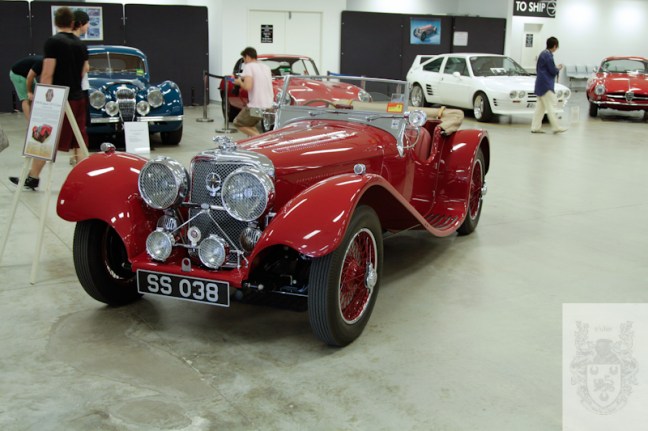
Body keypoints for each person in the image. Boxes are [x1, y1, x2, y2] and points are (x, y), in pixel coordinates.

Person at [9, 6, 89, 190]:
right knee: (78, 139)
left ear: (56, 22)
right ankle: (82, 180)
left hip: (59, 98)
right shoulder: (80, 44)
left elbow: (47, 74)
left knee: (44, 138)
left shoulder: (53, 43)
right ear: (72, 23)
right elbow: (84, 69)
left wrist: (44, 100)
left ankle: (33, 177)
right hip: (78, 98)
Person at [232, 47, 273, 137]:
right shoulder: (265, 67)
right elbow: (252, 77)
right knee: (249, 125)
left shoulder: (249, 66)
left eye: (244, 59)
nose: (244, 61)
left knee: (238, 123)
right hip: (269, 105)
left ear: (247, 56)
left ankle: (261, 139)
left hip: (256, 106)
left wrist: (239, 82)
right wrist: (238, 79)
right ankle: (258, 139)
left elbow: (248, 87)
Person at [531, 36, 566, 134]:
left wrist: (555, 68)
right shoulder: (548, 56)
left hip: (540, 83)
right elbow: (552, 70)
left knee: (540, 108)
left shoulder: (543, 53)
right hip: (546, 85)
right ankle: (556, 127)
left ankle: (535, 127)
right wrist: (558, 68)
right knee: (551, 106)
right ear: (554, 46)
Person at [71, 9, 91, 165]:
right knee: (80, 126)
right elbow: (85, 67)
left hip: (71, 91)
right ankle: (81, 160)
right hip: (79, 90)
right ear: (81, 24)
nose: (88, 27)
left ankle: (76, 156)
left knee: (74, 126)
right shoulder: (78, 44)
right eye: (87, 23)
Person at [9, 55, 43, 121]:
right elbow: (30, 77)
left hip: (27, 74)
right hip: (17, 74)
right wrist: (29, 92)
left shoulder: (47, 62)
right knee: (26, 99)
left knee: (35, 97)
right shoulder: (41, 63)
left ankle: (35, 119)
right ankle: (30, 123)